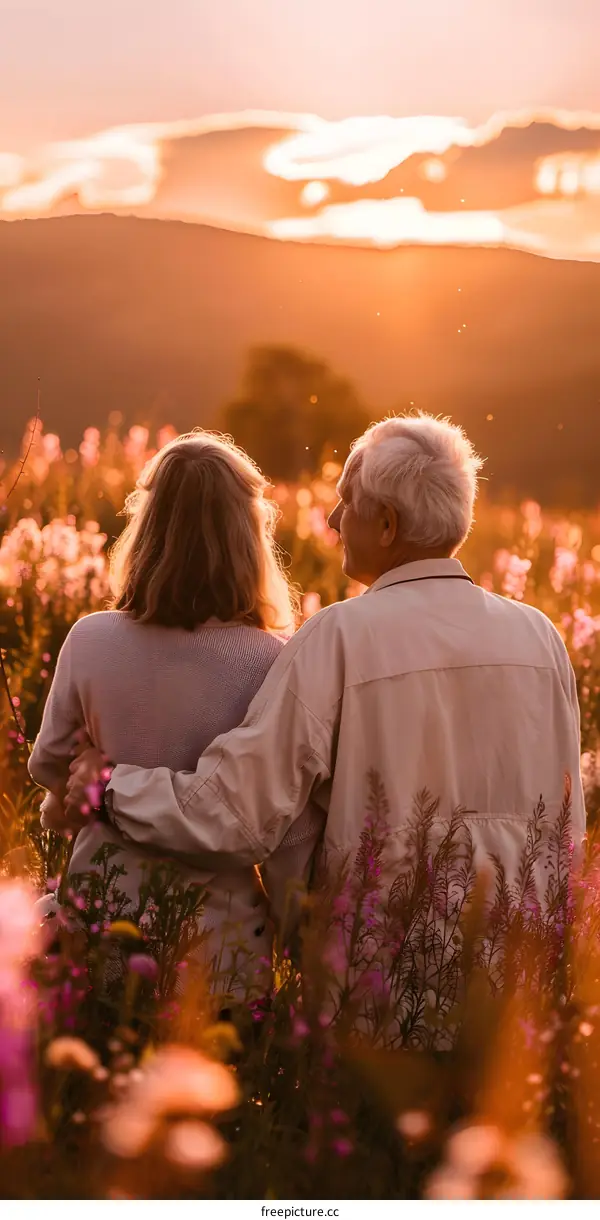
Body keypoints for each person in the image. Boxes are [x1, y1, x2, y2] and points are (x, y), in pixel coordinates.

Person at [66, 413, 586, 909]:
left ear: (386, 525)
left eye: (347, 503)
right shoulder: (541, 638)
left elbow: (236, 814)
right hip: (520, 964)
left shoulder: (339, 636)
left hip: (381, 969)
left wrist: (112, 787)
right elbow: (567, 827)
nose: (334, 520)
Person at [29, 430, 319, 980]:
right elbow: (287, 831)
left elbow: (49, 766)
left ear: (148, 527)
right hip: (221, 951)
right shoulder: (275, 662)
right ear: (249, 539)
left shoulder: (90, 640)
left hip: (101, 920)